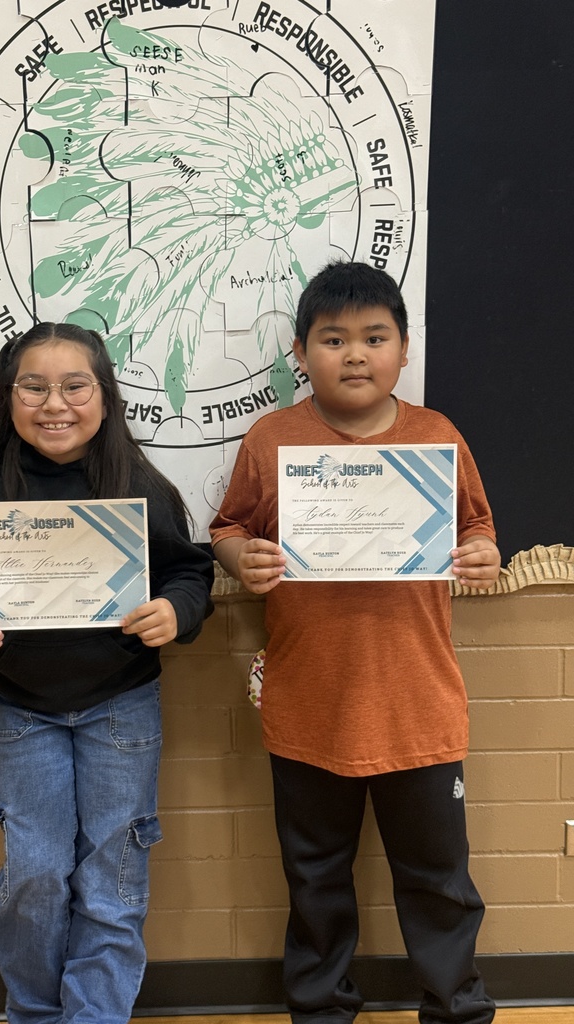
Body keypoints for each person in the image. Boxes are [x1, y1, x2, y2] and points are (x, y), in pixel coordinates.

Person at [210, 261, 500, 1024]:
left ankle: (455, 1008)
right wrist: (245, 559)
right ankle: (320, 1010)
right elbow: (229, 528)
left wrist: (481, 554)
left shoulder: (437, 436)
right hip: (310, 708)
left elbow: (476, 530)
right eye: (333, 339)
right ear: (301, 353)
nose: (356, 353)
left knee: (439, 880)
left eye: (375, 336)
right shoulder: (273, 438)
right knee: (315, 879)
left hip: (419, 710)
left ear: (404, 348)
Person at [0, 322, 214, 1024]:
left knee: (114, 877)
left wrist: (176, 611)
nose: (56, 404)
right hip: (24, 712)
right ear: (7, 398)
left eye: (75, 386)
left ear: (105, 397)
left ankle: (96, 1017)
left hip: (121, 706)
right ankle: (33, 1012)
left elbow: (189, 570)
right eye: (35, 387)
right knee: (34, 875)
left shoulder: (138, 485)